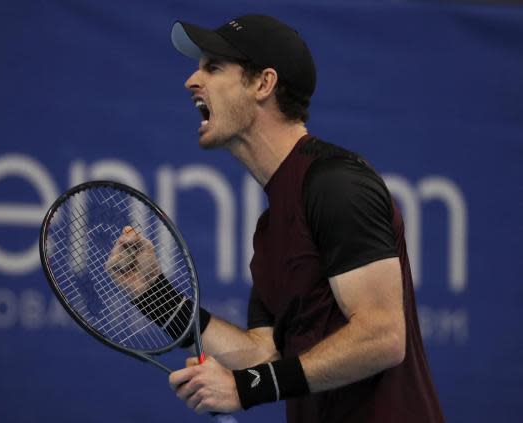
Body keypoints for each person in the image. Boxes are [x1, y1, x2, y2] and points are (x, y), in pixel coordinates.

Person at [129, 14, 445, 422]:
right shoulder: (271, 226)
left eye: (213, 67)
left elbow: (383, 335)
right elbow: (264, 354)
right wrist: (155, 296)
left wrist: (244, 389)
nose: (192, 80)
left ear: (263, 83)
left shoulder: (337, 184)